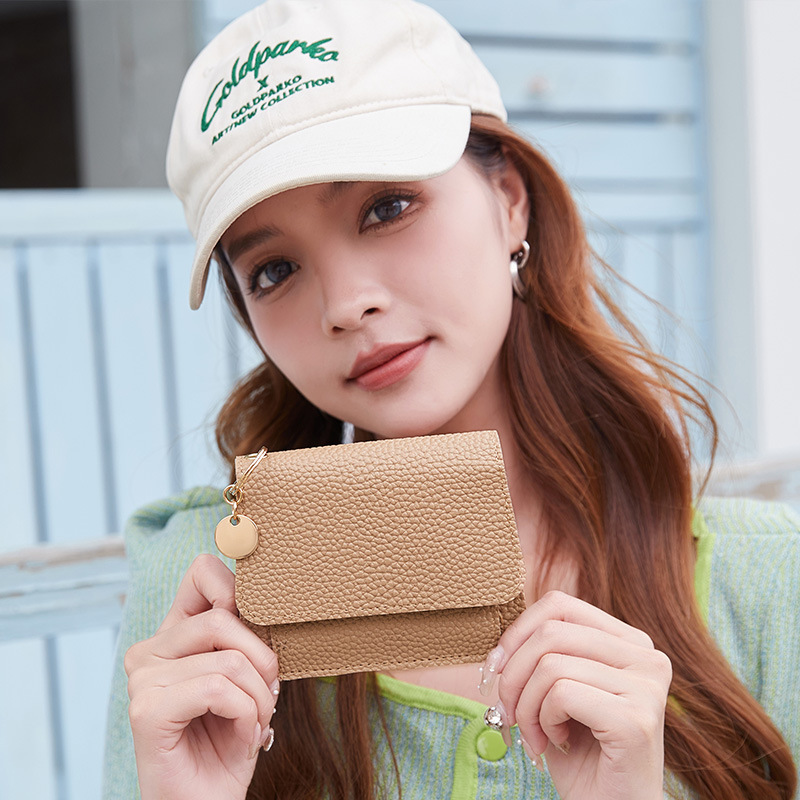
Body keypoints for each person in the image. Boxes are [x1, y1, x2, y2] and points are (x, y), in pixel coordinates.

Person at [103, 0, 799, 798]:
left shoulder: (768, 584)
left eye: (386, 208)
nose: (345, 304)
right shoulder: (198, 602)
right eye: (274, 270)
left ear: (509, 200)